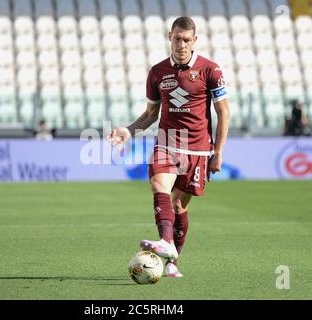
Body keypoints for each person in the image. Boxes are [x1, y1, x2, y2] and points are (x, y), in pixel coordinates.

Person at [108, 17, 230, 278]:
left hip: (198, 149)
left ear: (194, 40)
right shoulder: (157, 72)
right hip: (166, 143)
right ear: (170, 37)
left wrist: (218, 152)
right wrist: (128, 130)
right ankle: (165, 241)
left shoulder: (211, 70)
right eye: (177, 38)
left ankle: (173, 260)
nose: (182, 44)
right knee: (158, 185)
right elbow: (151, 113)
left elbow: (223, 113)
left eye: (187, 39)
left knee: (179, 208)